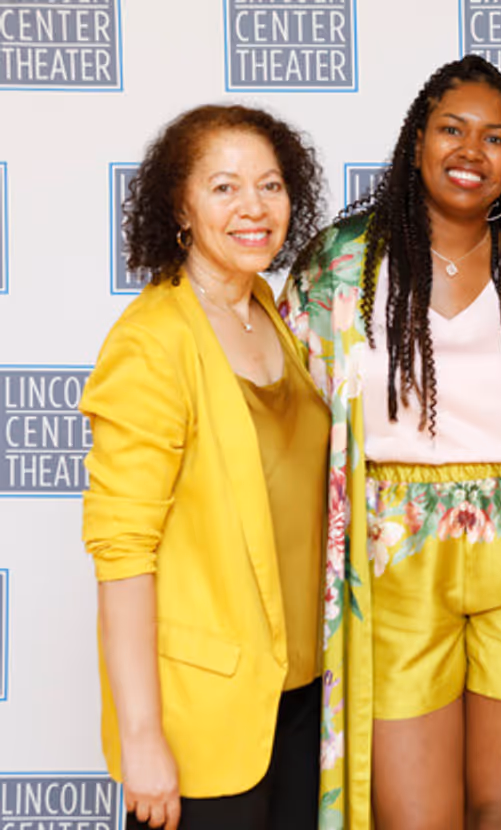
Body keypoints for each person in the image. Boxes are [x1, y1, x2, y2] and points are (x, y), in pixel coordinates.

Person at [280, 55, 501, 830]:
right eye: (453, 130)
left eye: (495, 137)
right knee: (415, 819)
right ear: (416, 142)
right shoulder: (338, 268)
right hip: (394, 551)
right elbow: (295, 431)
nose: (473, 151)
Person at [80, 104, 328, 830]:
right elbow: (122, 552)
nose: (253, 207)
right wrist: (142, 738)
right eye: (223, 188)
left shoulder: (271, 313)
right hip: (203, 717)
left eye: (270, 185)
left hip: (300, 701)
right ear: (180, 209)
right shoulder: (153, 343)